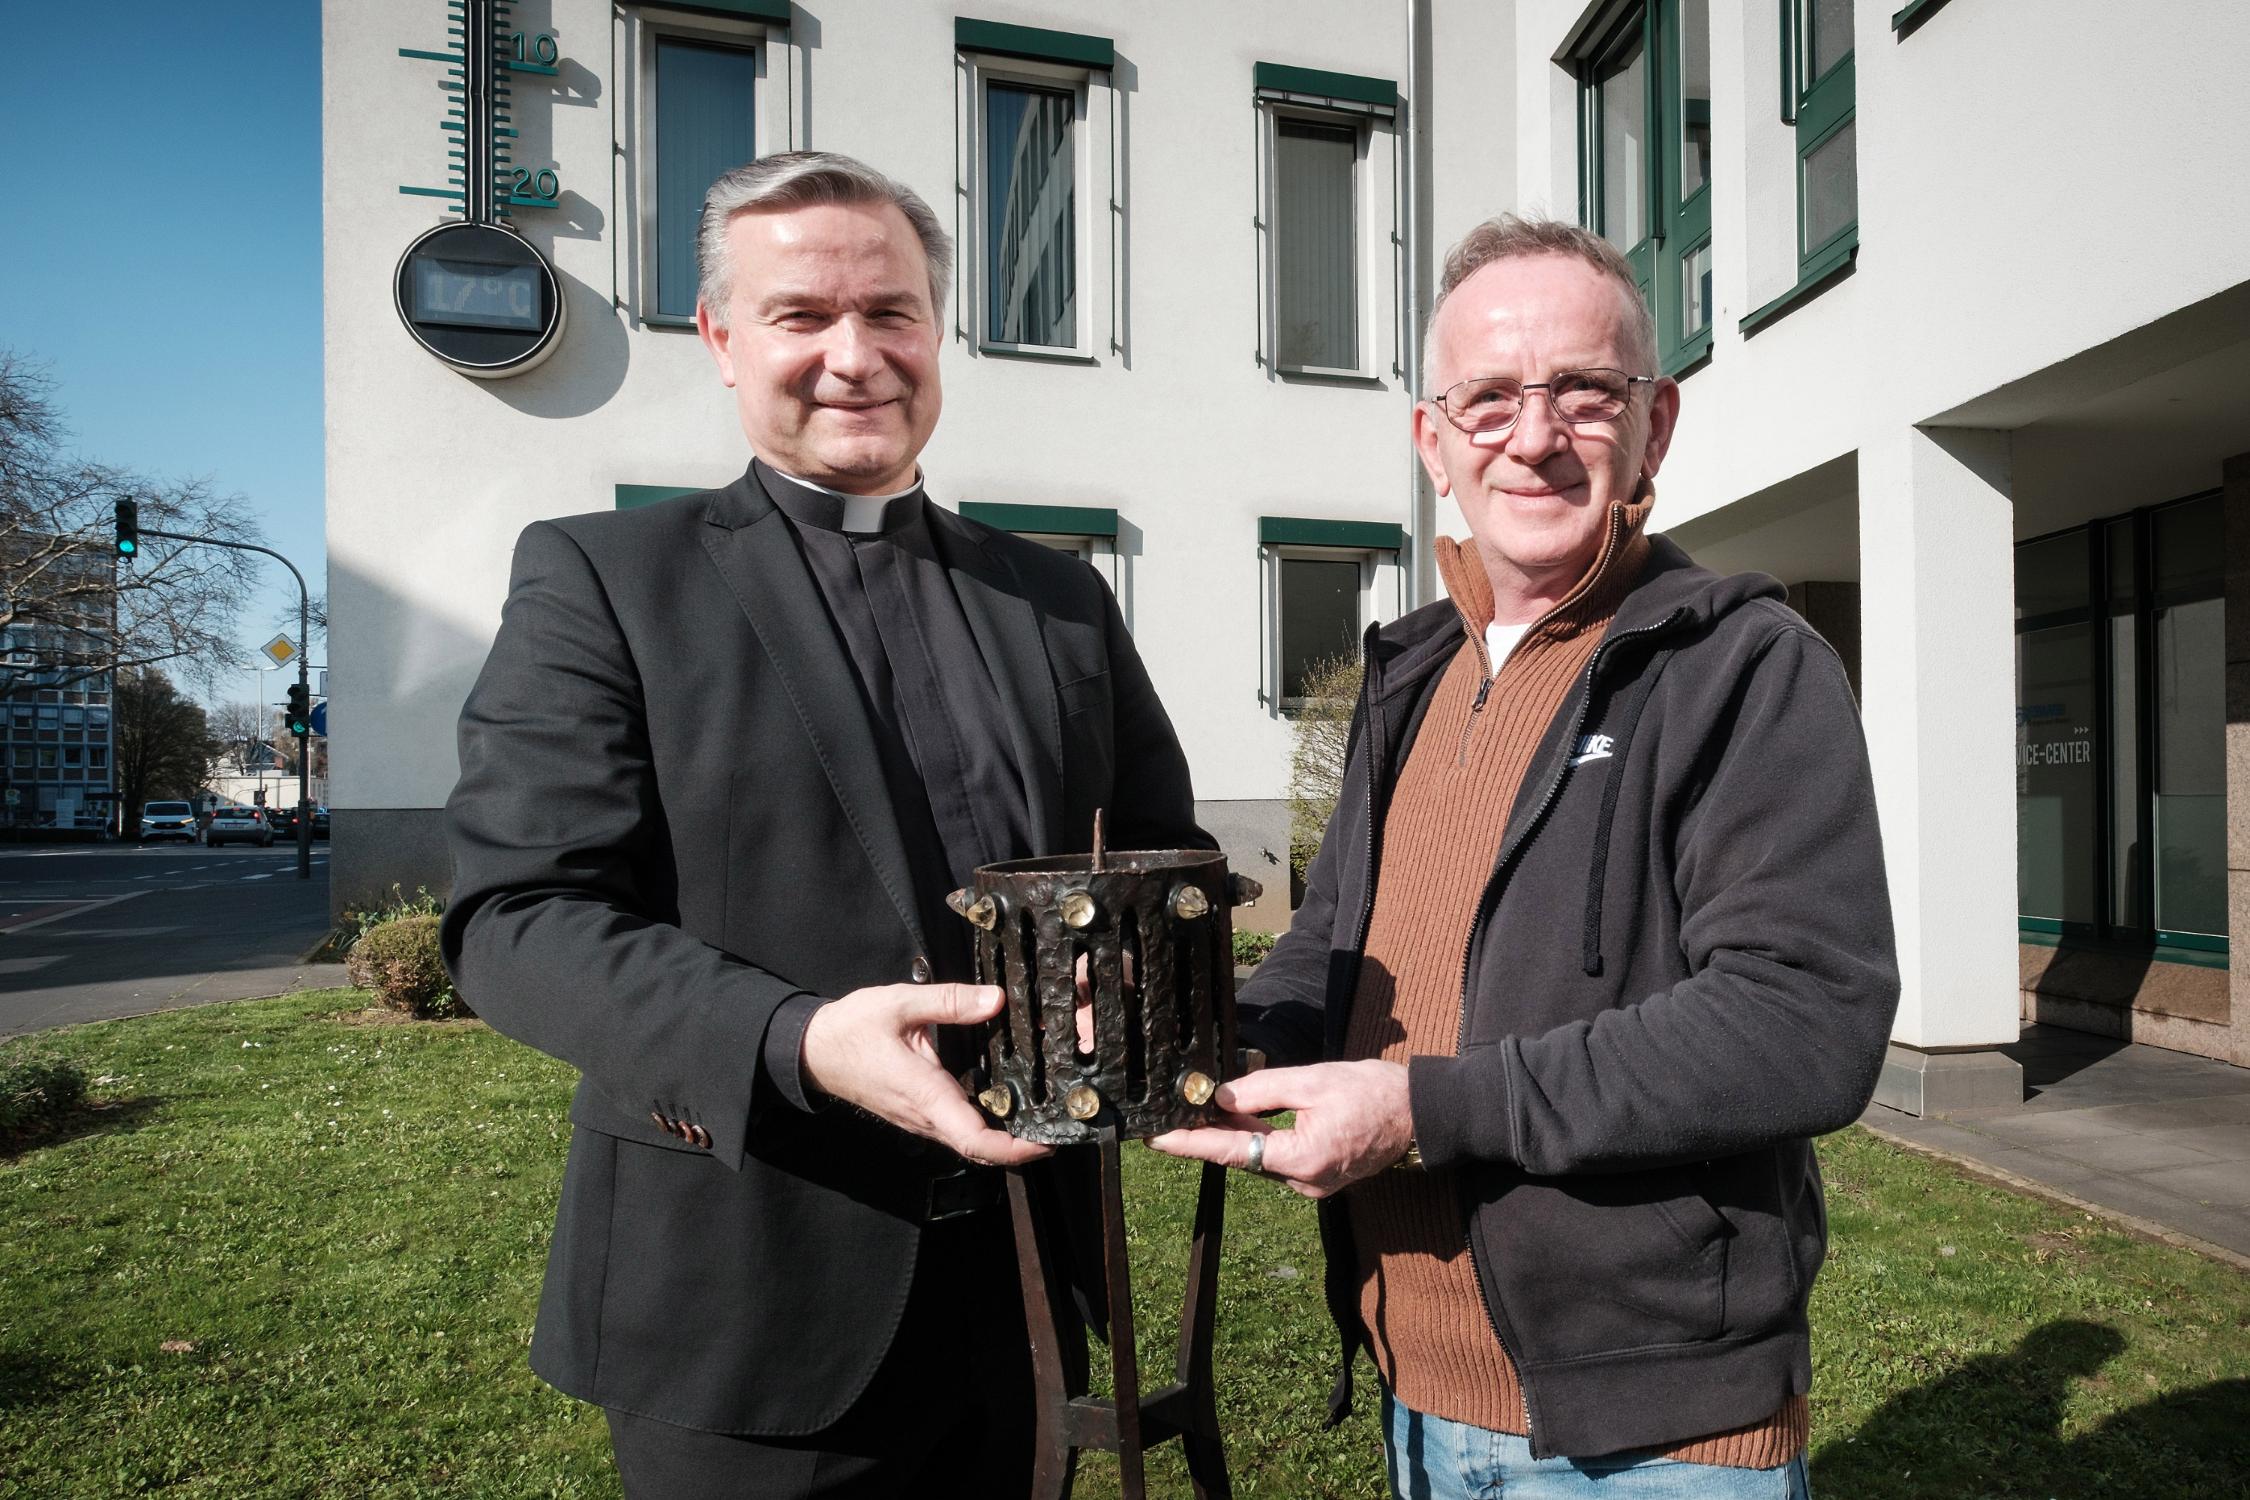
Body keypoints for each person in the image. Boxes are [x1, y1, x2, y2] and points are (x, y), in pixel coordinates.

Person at [442, 151, 1204, 1498]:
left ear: (936, 334)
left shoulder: (1060, 601)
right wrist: (792, 1040)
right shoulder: (604, 581)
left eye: (890, 313)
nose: (854, 356)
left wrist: (1130, 964)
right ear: (724, 344)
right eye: (802, 317)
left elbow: (1161, 859)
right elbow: (517, 920)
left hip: (1022, 1292)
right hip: (749, 1296)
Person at [1153, 216, 1899, 1498]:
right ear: (1433, 440)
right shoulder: (1407, 678)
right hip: (1415, 1397)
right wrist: (1202, 1039)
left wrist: (1424, 1112)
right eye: (1488, 397)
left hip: (1655, 1437)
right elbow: (1336, 946)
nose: (1535, 436)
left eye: (1583, 393)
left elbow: (1804, 1021)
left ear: (1655, 423)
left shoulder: (1746, 668)